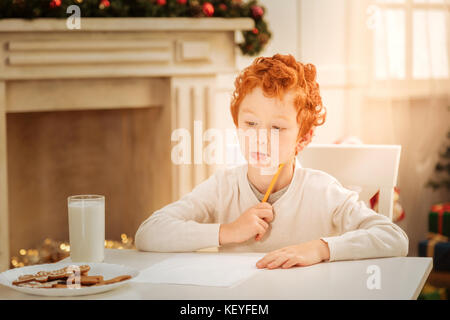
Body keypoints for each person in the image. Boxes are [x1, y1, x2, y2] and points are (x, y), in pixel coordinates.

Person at [135, 54, 408, 269]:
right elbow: (149, 234)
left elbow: (393, 237)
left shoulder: (322, 192)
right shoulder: (222, 187)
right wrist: (229, 231)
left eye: (277, 128)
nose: (260, 138)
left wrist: (320, 249)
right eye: (251, 123)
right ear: (237, 125)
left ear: (304, 137)